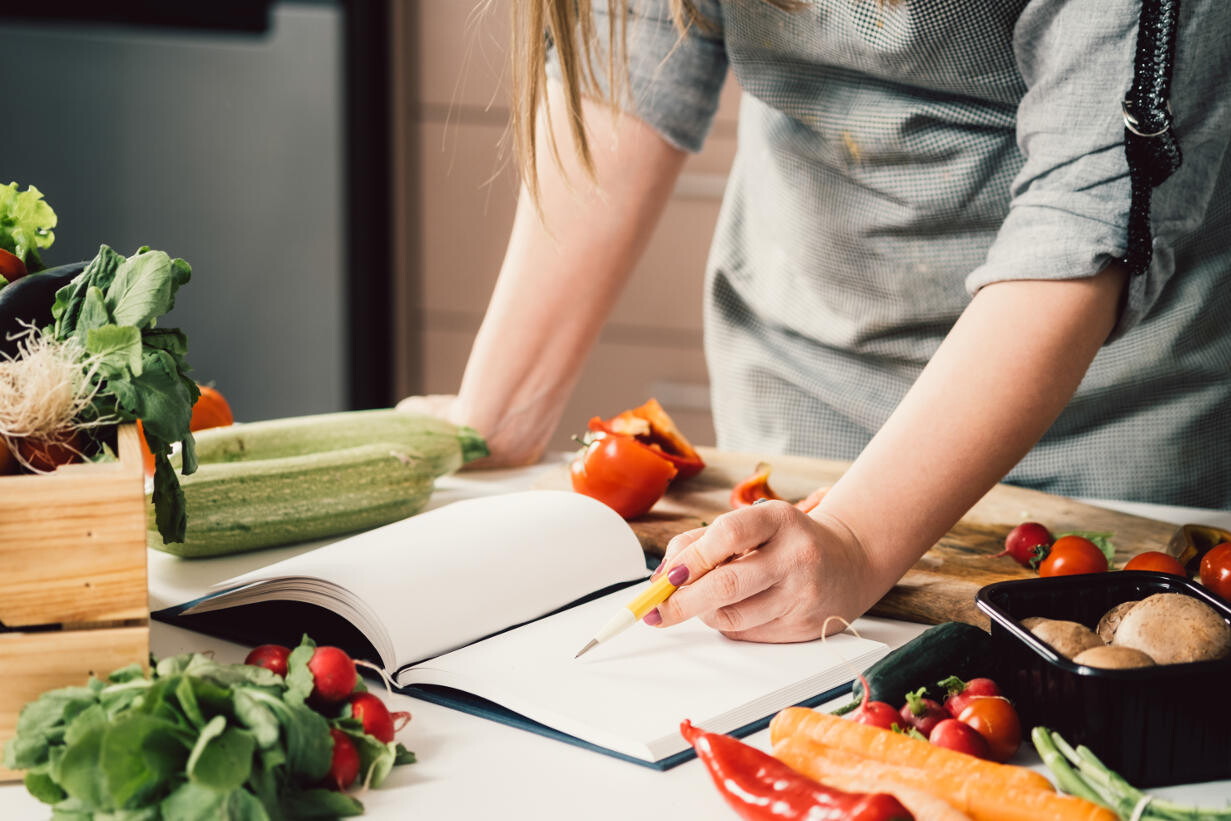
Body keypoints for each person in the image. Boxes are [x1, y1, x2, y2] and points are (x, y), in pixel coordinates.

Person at [400, 0, 1231, 643]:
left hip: (1113, 424)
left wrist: (858, 540)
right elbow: (624, 75)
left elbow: (1081, 218)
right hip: (801, 396)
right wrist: (496, 413)